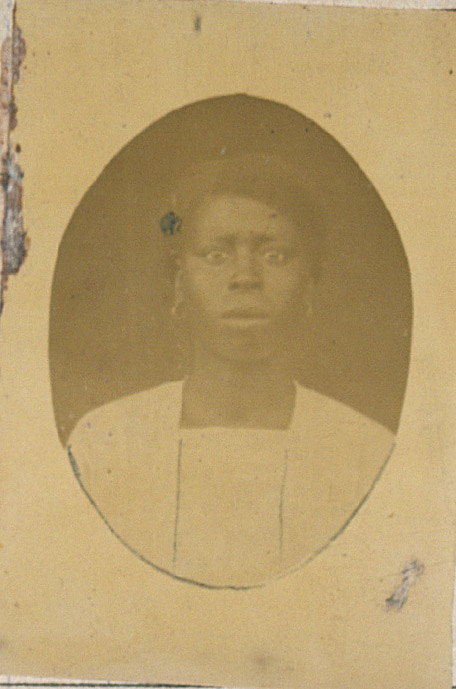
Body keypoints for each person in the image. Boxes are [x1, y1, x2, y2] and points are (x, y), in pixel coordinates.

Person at [67, 154, 395, 589]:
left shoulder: (367, 455)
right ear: (179, 283)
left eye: (274, 255)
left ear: (309, 285)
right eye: (217, 255)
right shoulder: (104, 446)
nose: (245, 277)